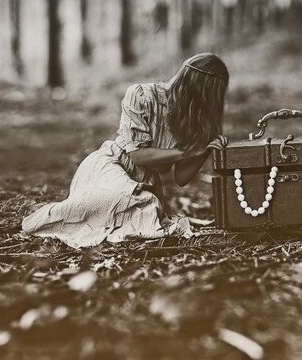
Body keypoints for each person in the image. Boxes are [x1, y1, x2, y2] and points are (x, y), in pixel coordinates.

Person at [22, 53, 229, 248]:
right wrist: (187, 152)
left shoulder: (194, 119)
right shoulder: (141, 95)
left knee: (145, 207)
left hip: (145, 182)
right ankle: (46, 216)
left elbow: (181, 178)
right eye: (211, 94)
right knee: (128, 201)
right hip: (112, 164)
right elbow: (137, 156)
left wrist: (205, 149)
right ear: (195, 86)